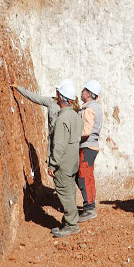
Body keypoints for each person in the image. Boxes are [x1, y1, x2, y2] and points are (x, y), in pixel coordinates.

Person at [48, 79, 85, 237]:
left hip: (62, 164)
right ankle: (71, 220)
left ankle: (71, 225)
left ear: (60, 97)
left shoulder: (62, 119)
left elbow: (59, 145)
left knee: (64, 192)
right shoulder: (76, 116)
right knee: (70, 192)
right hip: (73, 162)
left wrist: (52, 164)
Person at [11, 82, 60, 165]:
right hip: (53, 141)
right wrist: (18, 88)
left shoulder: (70, 110)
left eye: (58, 91)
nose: (56, 92)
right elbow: (36, 98)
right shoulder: (52, 101)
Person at [77, 80, 103, 222]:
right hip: (92, 147)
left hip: (86, 146)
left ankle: (89, 209)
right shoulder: (96, 108)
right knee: (88, 177)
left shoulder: (88, 110)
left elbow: (86, 131)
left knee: (83, 177)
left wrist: (72, 137)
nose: (81, 92)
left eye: (83, 90)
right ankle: (90, 205)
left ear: (88, 94)